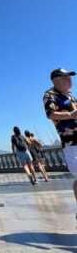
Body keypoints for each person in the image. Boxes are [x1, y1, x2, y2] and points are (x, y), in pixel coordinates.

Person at [43, 68, 77, 215]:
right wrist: (70, 114)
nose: (70, 80)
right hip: (71, 144)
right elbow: (50, 114)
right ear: (56, 80)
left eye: (70, 77)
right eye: (66, 77)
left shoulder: (70, 96)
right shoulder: (50, 95)